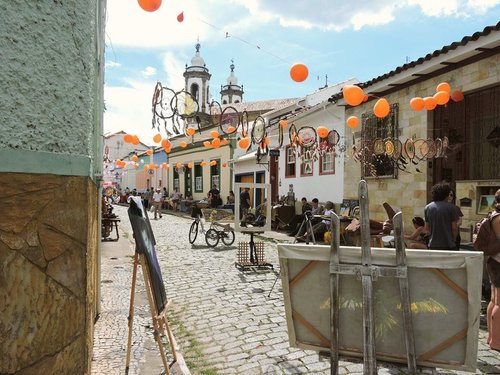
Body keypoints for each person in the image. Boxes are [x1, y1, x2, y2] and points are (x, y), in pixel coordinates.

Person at [424, 182, 460, 250]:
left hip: (432, 245)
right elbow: (454, 228)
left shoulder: (427, 208)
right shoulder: (451, 208)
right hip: (449, 244)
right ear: (446, 194)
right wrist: (454, 240)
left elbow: (427, 228)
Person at [485, 189, 500, 351]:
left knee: (494, 300)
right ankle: (496, 341)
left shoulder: (493, 215)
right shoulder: (499, 218)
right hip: (498, 261)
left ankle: (491, 337)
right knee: (499, 302)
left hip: (494, 261)